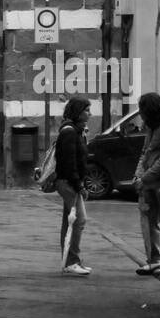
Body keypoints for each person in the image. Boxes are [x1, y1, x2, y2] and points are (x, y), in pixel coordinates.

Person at [133, 92, 160, 277]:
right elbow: (145, 152)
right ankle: (154, 260)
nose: (140, 114)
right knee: (148, 222)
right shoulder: (151, 126)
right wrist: (138, 175)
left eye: (142, 110)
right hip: (148, 183)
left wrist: (144, 178)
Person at [54, 97, 92, 275]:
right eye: (86, 110)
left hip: (69, 182)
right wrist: (79, 186)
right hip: (68, 183)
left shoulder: (76, 131)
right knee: (78, 220)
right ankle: (71, 261)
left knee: (70, 220)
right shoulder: (69, 132)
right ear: (78, 112)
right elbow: (70, 164)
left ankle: (70, 260)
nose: (89, 114)